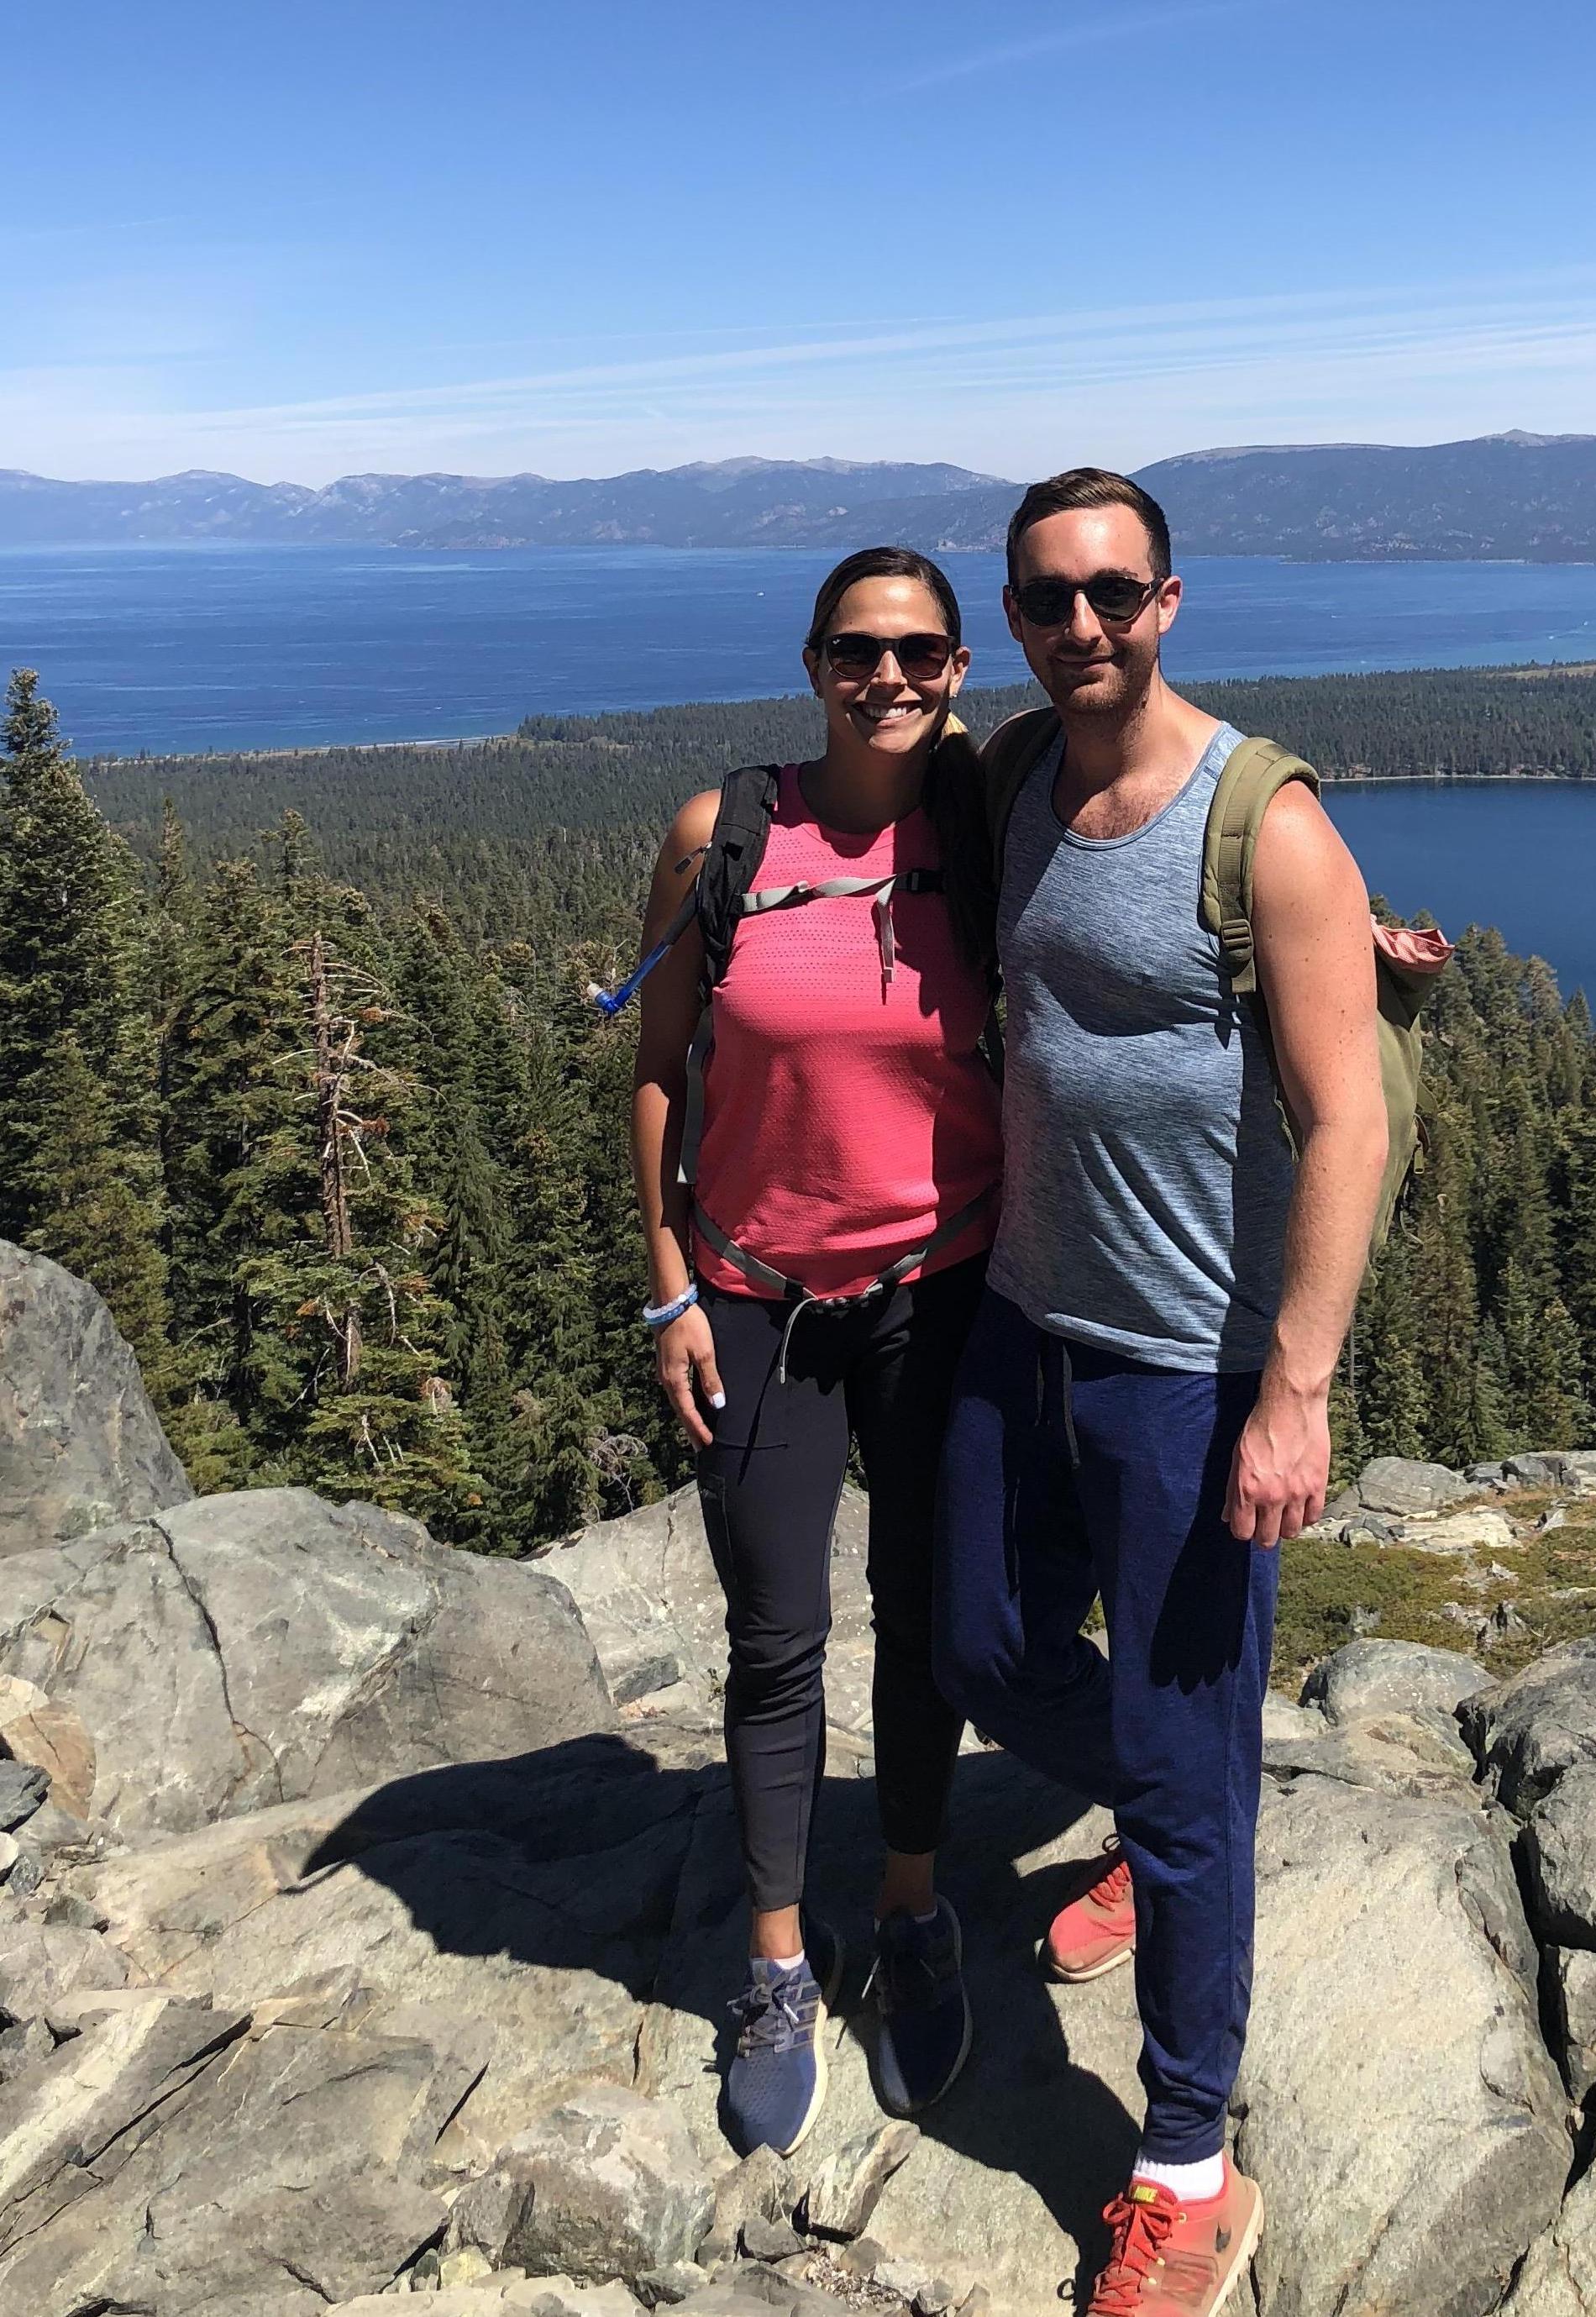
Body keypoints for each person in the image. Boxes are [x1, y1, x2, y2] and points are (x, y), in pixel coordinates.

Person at [935, 471, 1389, 2314]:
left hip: (1191, 1368)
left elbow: (1345, 1113)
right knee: (972, 1644)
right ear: (1018, 614)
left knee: (1190, 1772)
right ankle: (1163, 1801)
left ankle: (1186, 2155)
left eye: (1112, 591)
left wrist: (1296, 1385)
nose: (1082, 623)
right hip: (1025, 1318)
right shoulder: (1014, 779)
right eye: (1048, 596)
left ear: (1170, 600)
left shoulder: (1261, 822)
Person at [630, 546, 1000, 2159]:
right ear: (813, 661)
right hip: (755, 1295)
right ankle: (779, 1962)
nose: (890, 677)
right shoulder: (725, 836)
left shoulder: (988, 828)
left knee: (922, 1619)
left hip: (941, 1282)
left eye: (919, 650)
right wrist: (667, 1285)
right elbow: (656, 1070)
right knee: (777, 1636)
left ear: (959, 667)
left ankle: (910, 1905)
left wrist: (1346, 950)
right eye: (860, 650)